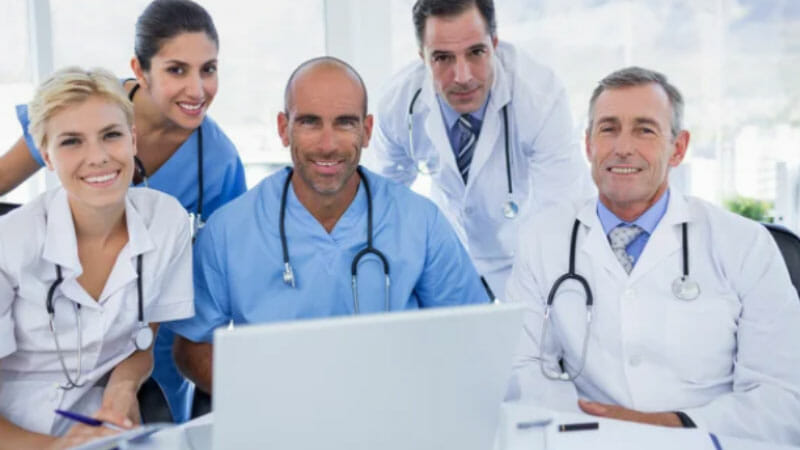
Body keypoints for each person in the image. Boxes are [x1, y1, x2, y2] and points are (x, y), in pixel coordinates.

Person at [505, 66, 800, 444]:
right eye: (608, 128)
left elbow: (783, 399)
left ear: (677, 148)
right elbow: (522, 370)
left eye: (645, 129)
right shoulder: (543, 240)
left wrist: (668, 427)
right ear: (588, 145)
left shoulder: (746, 244)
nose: (622, 147)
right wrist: (597, 430)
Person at [165, 57, 489, 393]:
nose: (327, 144)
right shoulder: (228, 231)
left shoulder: (420, 223)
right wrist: (263, 398)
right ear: (283, 128)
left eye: (345, 123)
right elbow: (192, 346)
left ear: (366, 131)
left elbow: (471, 333)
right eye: (309, 122)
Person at [0, 0, 246, 422]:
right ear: (140, 67)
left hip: (149, 328)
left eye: (208, 69)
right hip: (60, 326)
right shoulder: (84, 106)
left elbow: (226, 267)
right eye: (176, 69)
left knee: (150, 421)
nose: (198, 89)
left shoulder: (218, 159)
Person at [0, 67, 193, 448]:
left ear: (133, 139)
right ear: (47, 156)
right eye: (72, 142)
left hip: (103, 428)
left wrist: (122, 388)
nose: (99, 157)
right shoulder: (9, 243)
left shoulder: (166, 221)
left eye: (111, 135)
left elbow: (142, 342)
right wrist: (57, 447)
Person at [367, 0, 590, 299]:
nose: (462, 76)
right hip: (450, 256)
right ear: (423, 57)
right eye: (443, 58)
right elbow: (384, 202)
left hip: (526, 253)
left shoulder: (540, 95)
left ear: (494, 44)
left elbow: (561, 208)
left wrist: (536, 293)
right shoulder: (399, 103)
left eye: (476, 53)